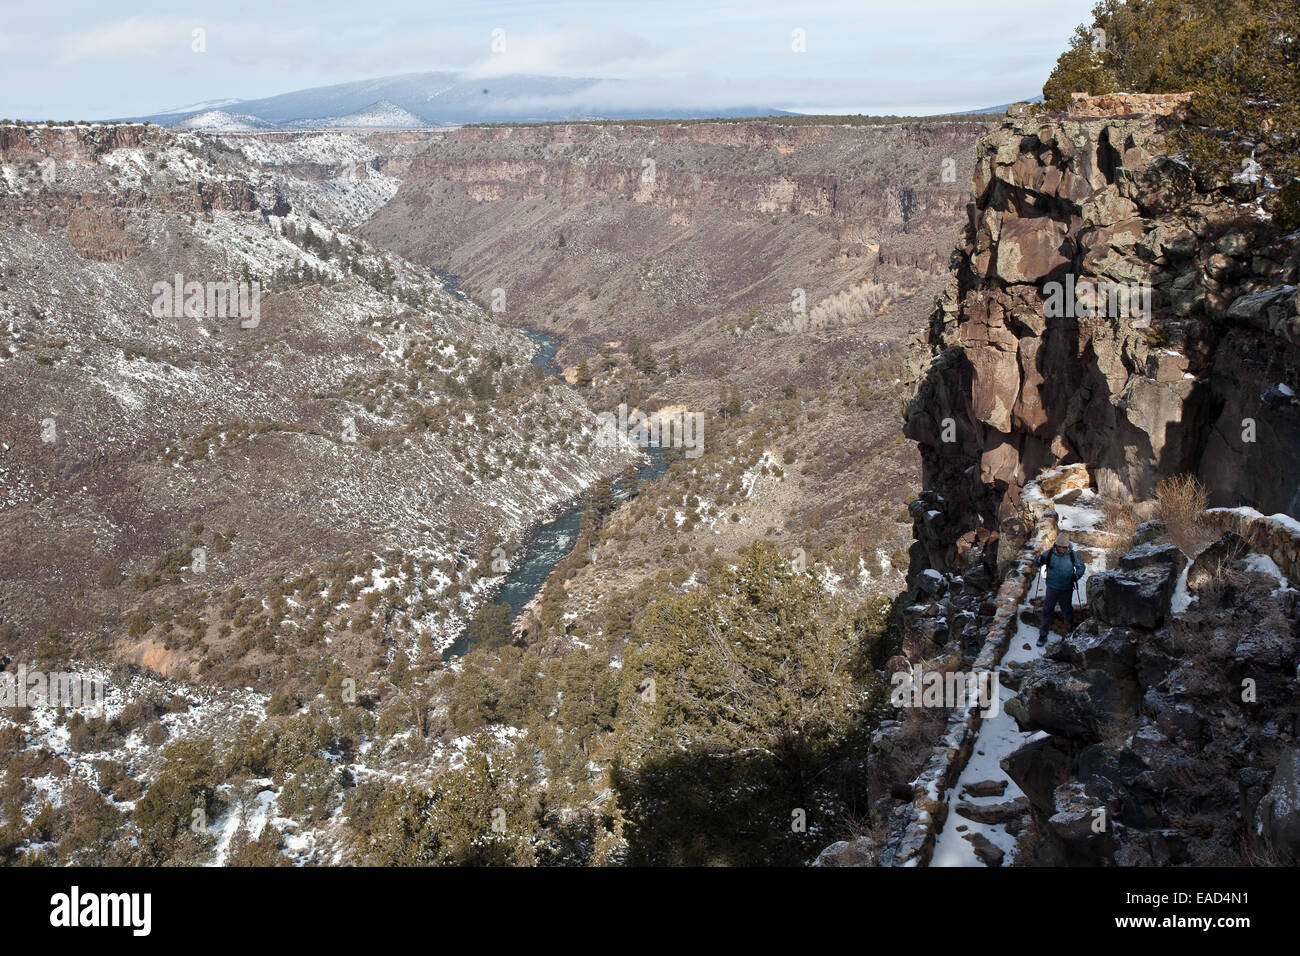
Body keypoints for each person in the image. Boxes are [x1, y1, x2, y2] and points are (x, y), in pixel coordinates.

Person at [1035, 533, 1085, 645]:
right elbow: (1037, 562)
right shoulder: (1049, 553)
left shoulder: (1072, 555)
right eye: (1060, 546)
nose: (1062, 548)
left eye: (1064, 547)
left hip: (1066, 588)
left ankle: (1069, 632)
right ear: (1056, 545)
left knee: (1067, 610)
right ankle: (1043, 635)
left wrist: (1076, 576)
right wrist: (1038, 561)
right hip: (1052, 587)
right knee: (1047, 610)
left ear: (1067, 546)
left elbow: (1081, 567)